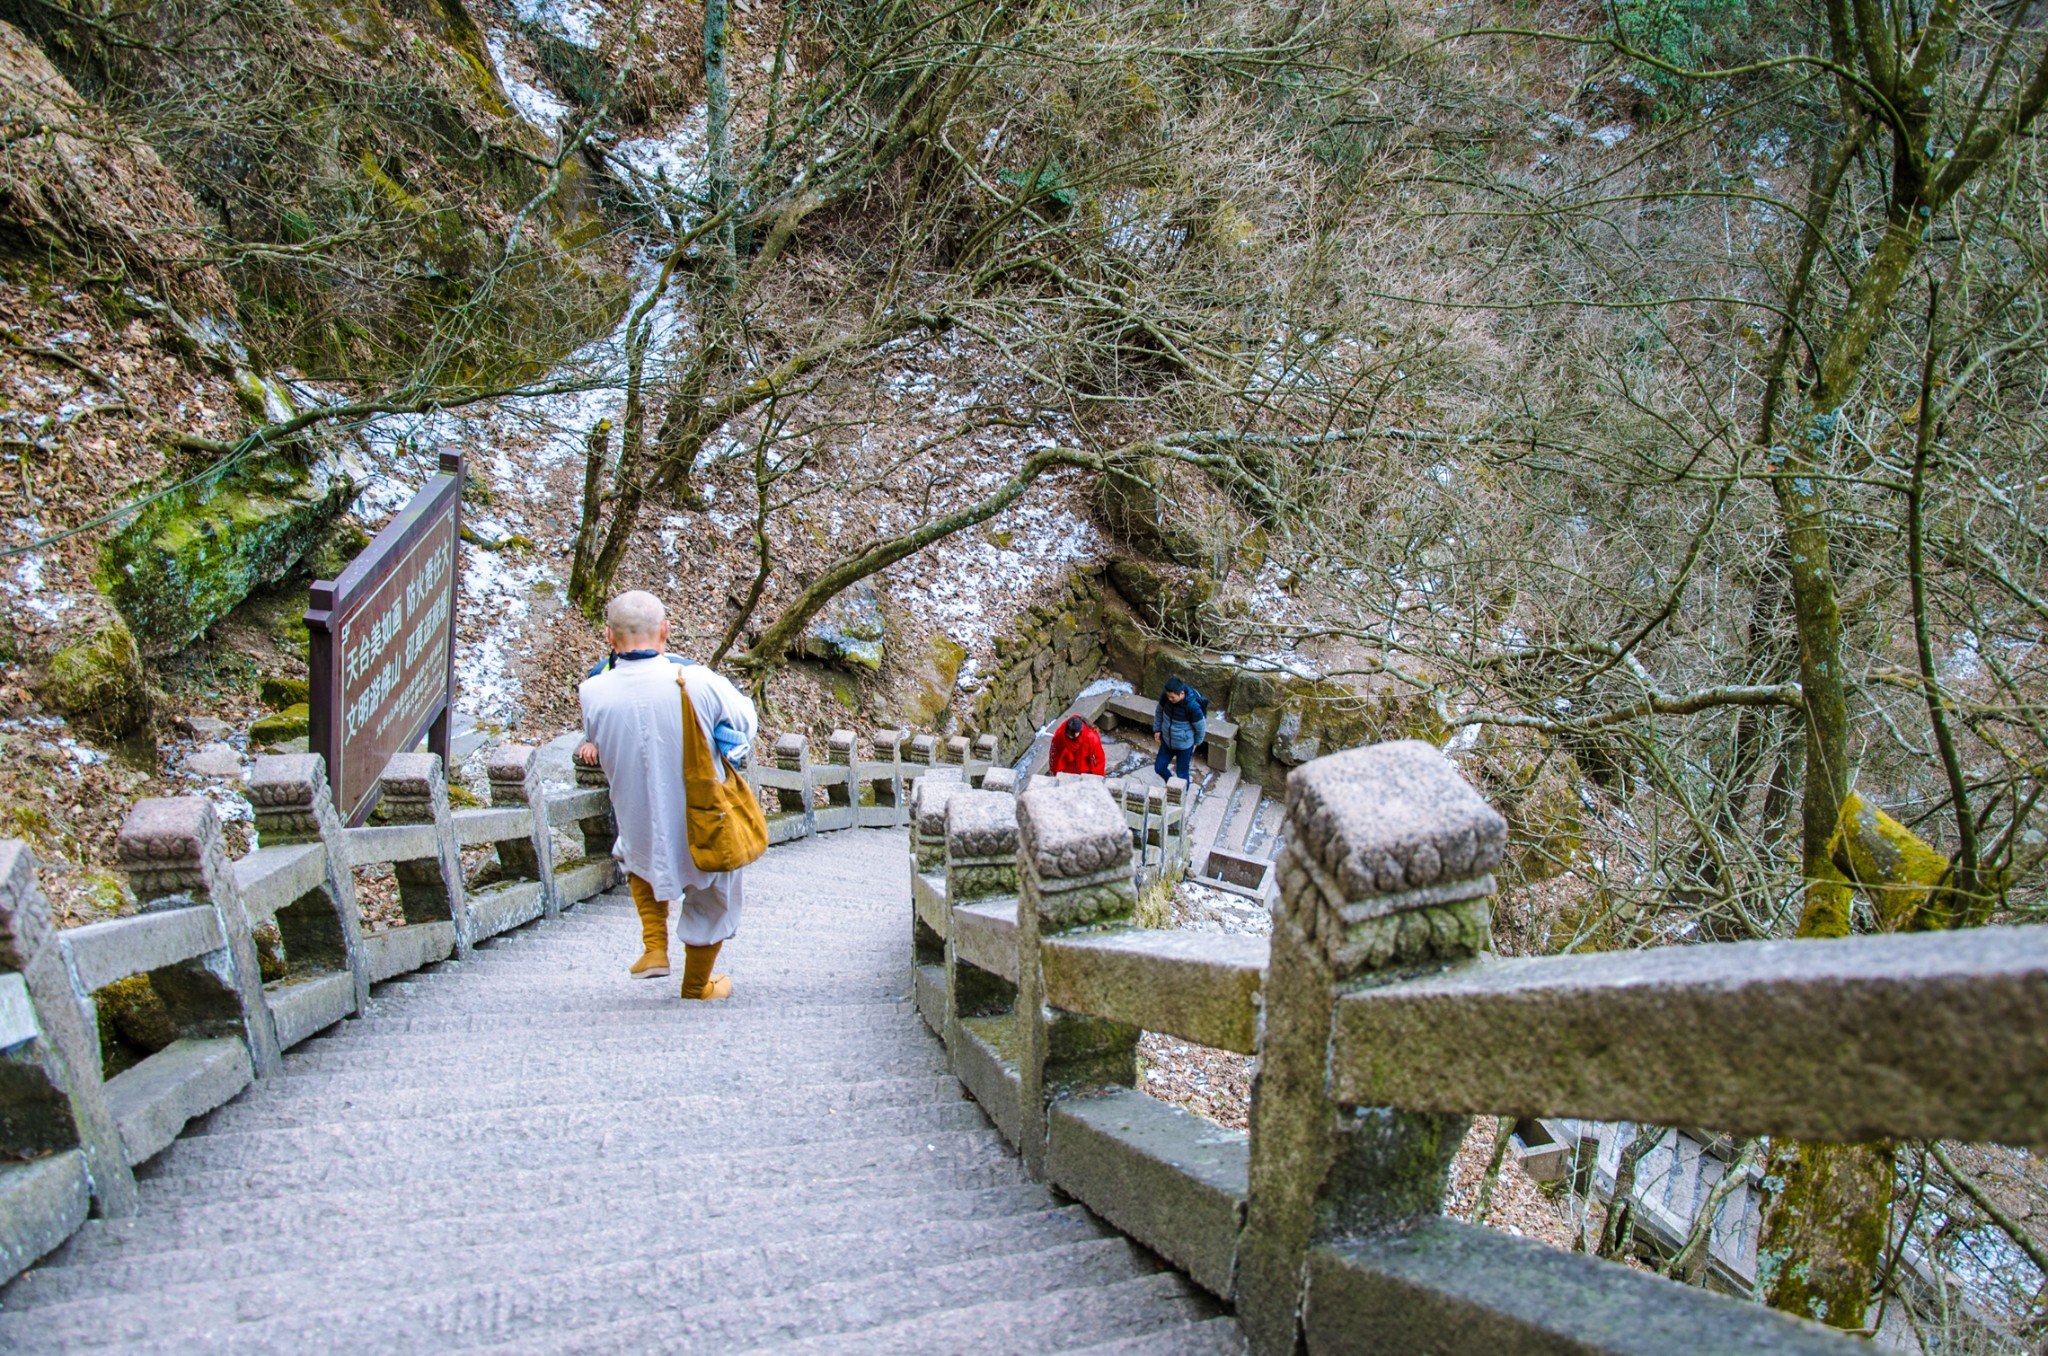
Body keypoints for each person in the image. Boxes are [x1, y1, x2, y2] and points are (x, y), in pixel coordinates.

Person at [575, 590, 759, 1001]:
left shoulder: (593, 692)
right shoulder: (699, 682)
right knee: (714, 892)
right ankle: (697, 985)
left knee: (637, 857)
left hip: (635, 812)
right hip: (702, 813)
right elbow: (745, 723)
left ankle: (654, 947)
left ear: (610, 637)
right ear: (665, 631)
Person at [1151, 676, 1207, 783]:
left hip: (1184, 746)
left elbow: (1201, 728)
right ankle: (1171, 783)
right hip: (1167, 742)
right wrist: (1157, 729)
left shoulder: (1193, 707)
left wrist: (1196, 743)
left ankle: (1182, 794)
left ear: (1181, 693)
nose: (1170, 699)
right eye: (1168, 696)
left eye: (1172, 697)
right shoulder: (1166, 697)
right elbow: (1159, 712)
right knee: (1159, 767)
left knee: (1182, 774)